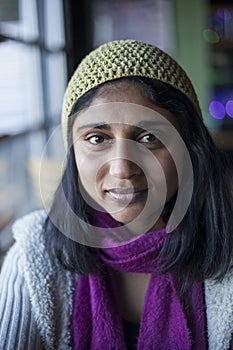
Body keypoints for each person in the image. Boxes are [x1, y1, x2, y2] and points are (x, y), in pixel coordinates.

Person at [0, 40, 233, 350]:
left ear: (190, 147)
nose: (122, 168)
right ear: (73, 152)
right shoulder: (32, 258)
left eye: (150, 137)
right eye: (97, 138)